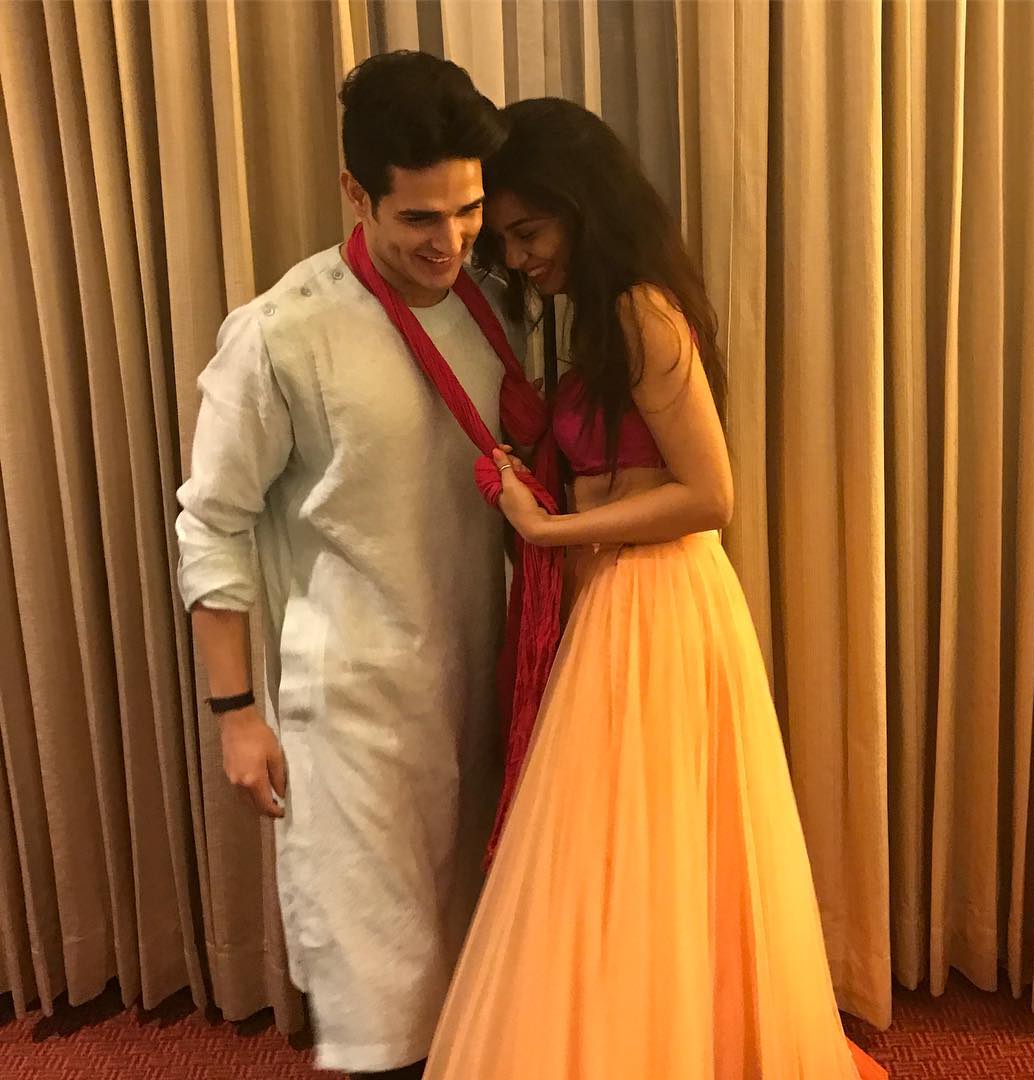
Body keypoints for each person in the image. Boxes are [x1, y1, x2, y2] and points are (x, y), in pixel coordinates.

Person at [423, 98, 888, 1079]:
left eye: (529, 231)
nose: (519, 257)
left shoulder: (640, 309)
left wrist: (548, 528)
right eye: (507, 240)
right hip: (623, 601)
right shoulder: (605, 314)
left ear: (582, 205)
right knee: (631, 848)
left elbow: (710, 494)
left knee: (641, 843)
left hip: (659, 602)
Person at [175, 51, 526, 1079]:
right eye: (420, 217)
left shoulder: (493, 304)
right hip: (354, 717)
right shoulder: (282, 332)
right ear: (355, 193)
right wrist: (235, 715)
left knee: (481, 973)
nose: (450, 241)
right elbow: (212, 524)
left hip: (482, 686)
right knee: (383, 1000)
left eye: (468, 210)